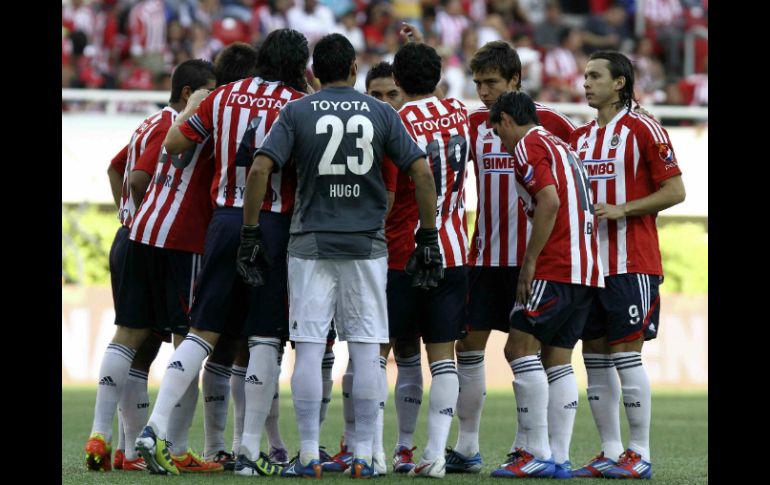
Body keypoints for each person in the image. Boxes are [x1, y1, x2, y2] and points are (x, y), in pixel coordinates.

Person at [238, 33, 439, 479]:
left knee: (309, 349)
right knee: (368, 350)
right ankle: (365, 454)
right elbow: (421, 171)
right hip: (368, 244)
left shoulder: (296, 110)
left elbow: (260, 167)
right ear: (353, 70)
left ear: (313, 73)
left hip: (309, 242)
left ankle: (309, 453)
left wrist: (250, 230)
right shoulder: (383, 111)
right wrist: (429, 235)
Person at [137, 29, 310, 476]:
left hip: (223, 220)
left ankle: (154, 427)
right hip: (270, 223)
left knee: (203, 330)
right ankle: (250, 451)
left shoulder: (225, 95)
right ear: (296, 64)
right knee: (265, 336)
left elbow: (175, 144)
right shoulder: (297, 102)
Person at [447, 39, 576, 474]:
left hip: (536, 261)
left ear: (516, 80)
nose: (483, 92)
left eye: (492, 83)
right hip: (484, 257)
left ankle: (539, 449)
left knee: (536, 352)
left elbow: (572, 182)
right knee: (468, 347)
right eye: (478, 83)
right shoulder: (472, 125)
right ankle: (467, 448)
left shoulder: (551, 123)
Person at [84, 59, 218, 474]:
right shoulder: (171, 125)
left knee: (135, 341)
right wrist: (145, 214)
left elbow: (114, 166)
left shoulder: (149, 122)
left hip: (133, 233)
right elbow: (139, 177)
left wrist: (128, 216)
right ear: (188, 94)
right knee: (184, 339)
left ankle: (112, 442)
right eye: (209, 92)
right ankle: (173, 447)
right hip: (160, 237)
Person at [570, 50, 685, 480]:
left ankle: (640, 452)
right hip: (589, 265)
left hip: (631, 261)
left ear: (620, 82)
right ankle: (610, 451)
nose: (586, 83)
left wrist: (624, 209)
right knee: (594, 357)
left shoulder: (643, 127)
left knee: (625, 355)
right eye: (584, 76)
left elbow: (675, 191)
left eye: (595, 76)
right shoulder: (580, 138)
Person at [487, 91, 603, 479]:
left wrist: (530, 261)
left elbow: (549, 201)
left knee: (518, 348)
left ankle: (534, 450)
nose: (501, 143)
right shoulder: (563, 146)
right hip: (586, 268)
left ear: (505, 120)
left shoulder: (527, 144)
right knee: (557, 359)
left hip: (555, 265)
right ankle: (558, 457)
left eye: (499, 133)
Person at [387, 41, 473, 479]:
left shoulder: (396, 121)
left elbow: (385, 189)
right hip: (453, 249)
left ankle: (375, 449)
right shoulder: (459, 112)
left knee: (380, 352)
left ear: (397, 82)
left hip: (403, 250)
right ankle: (436, 455)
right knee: (443, 359)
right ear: (437, 77)